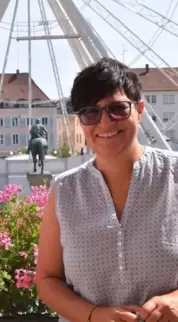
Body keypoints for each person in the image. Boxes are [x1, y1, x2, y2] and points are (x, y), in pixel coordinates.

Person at [35, 57, 178, 322]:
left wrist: (175, 300)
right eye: (91, 112)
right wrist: (94, 316)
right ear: (81, 121)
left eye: (118, 109)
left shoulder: (174, 175)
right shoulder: (65, 191)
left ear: (139, 110)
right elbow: (46, 279)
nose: (105, 122)